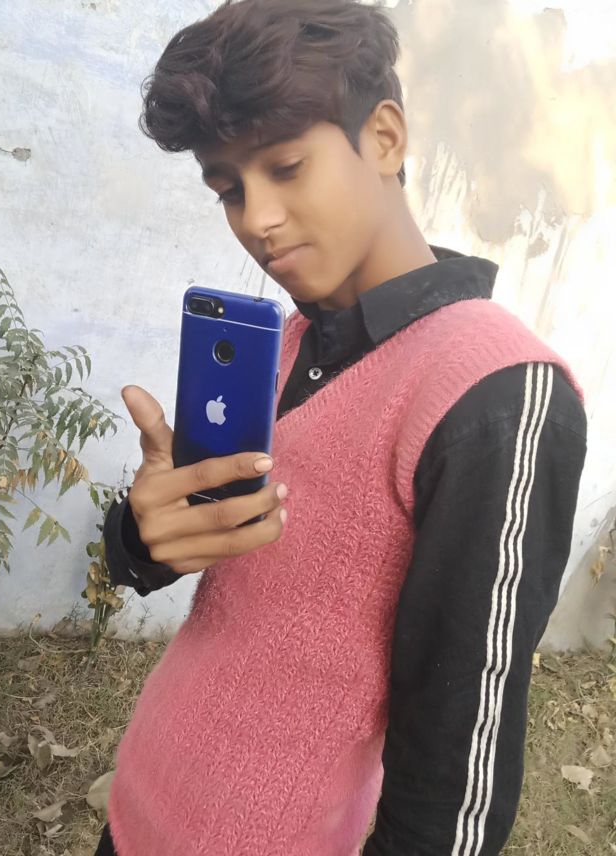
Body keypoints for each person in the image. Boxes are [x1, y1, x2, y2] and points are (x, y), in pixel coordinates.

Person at [95, 1, 588, 854]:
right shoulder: (288, 343)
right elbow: (209, 566)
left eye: (286, 167)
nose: (256, 219)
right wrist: (142, 536)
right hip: (138, 808)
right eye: (229, 189)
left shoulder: (497, 391)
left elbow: (456, 767)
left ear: (385, 138)